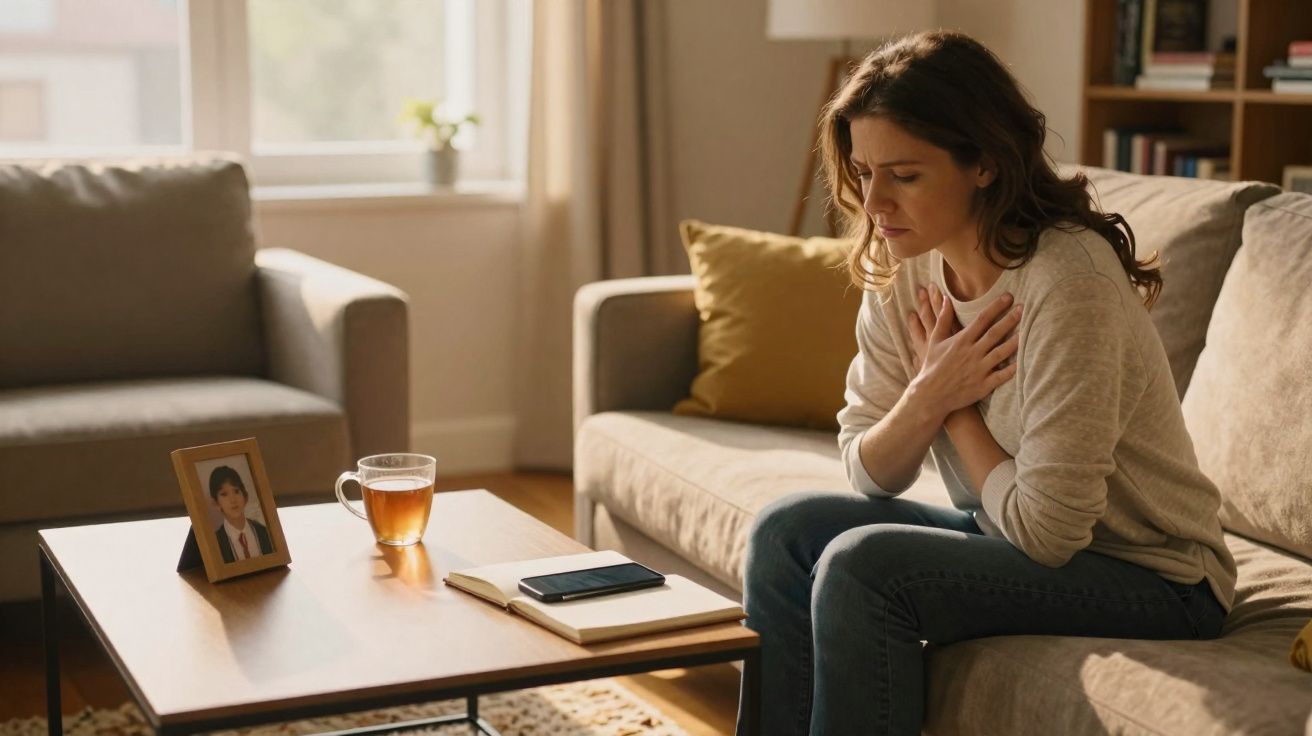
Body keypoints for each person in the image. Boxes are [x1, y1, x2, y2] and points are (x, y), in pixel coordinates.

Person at [737, 30, 1235, 736]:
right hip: (1007, 530)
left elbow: (1050, 533)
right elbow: (866, 469)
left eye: (904, 175)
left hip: (1156, 577)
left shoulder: (1069, 283)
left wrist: (958, 410)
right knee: (785, 532)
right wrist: (926, 397)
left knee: (862, 567)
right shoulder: (907, 262)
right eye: (864, 170)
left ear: (984, 165)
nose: (875, 202)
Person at [209, 465, 273, 563]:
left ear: (245, 496)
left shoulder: (264, 532)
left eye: (236, 491)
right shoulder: (215, 543)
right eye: (224, 494)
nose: (233, 500)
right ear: (216, 503)